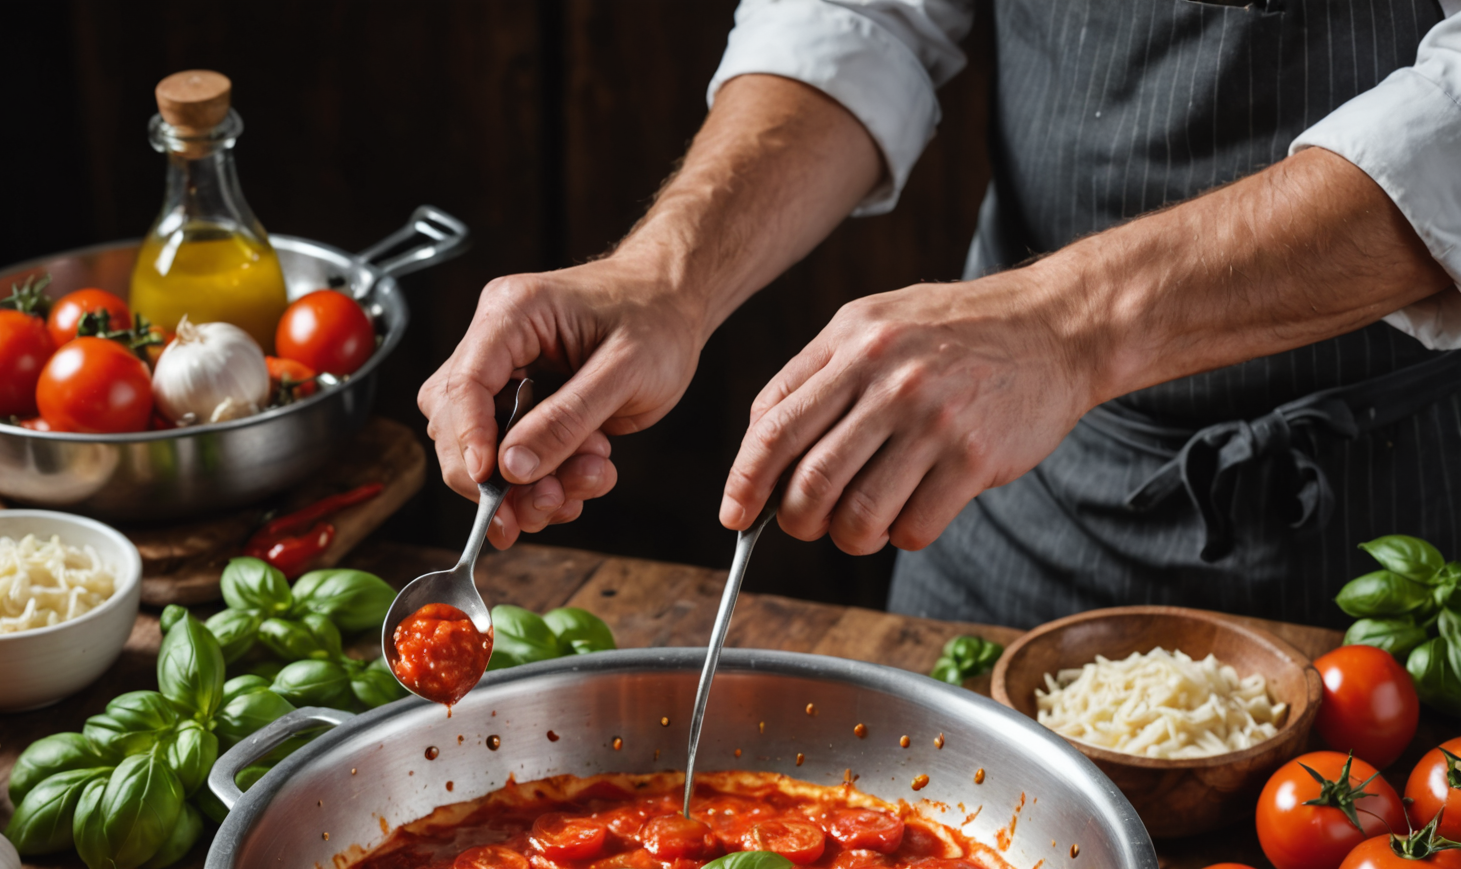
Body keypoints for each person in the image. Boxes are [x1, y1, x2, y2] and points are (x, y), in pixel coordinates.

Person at [419, 2, 1461, 629]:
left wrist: (1065, 325)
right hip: (1012, 500)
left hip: (1412, 517)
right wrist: (666, 277)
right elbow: (865, 14)